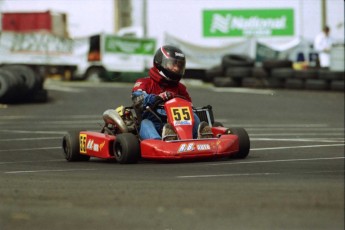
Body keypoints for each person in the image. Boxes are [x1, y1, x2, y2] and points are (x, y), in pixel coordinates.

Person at [131, 45, 212, 141]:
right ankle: (158, 141)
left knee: (194, 116)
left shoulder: (180, 88)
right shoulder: (144, 83)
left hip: (179, 125)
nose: (176, 69)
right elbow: (138, 100)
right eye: (173, 64)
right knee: (146, 123)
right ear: (160, 62)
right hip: (155, 122)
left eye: (179, 66)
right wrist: (157, 98)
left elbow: (189, 105)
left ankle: (201, 138)